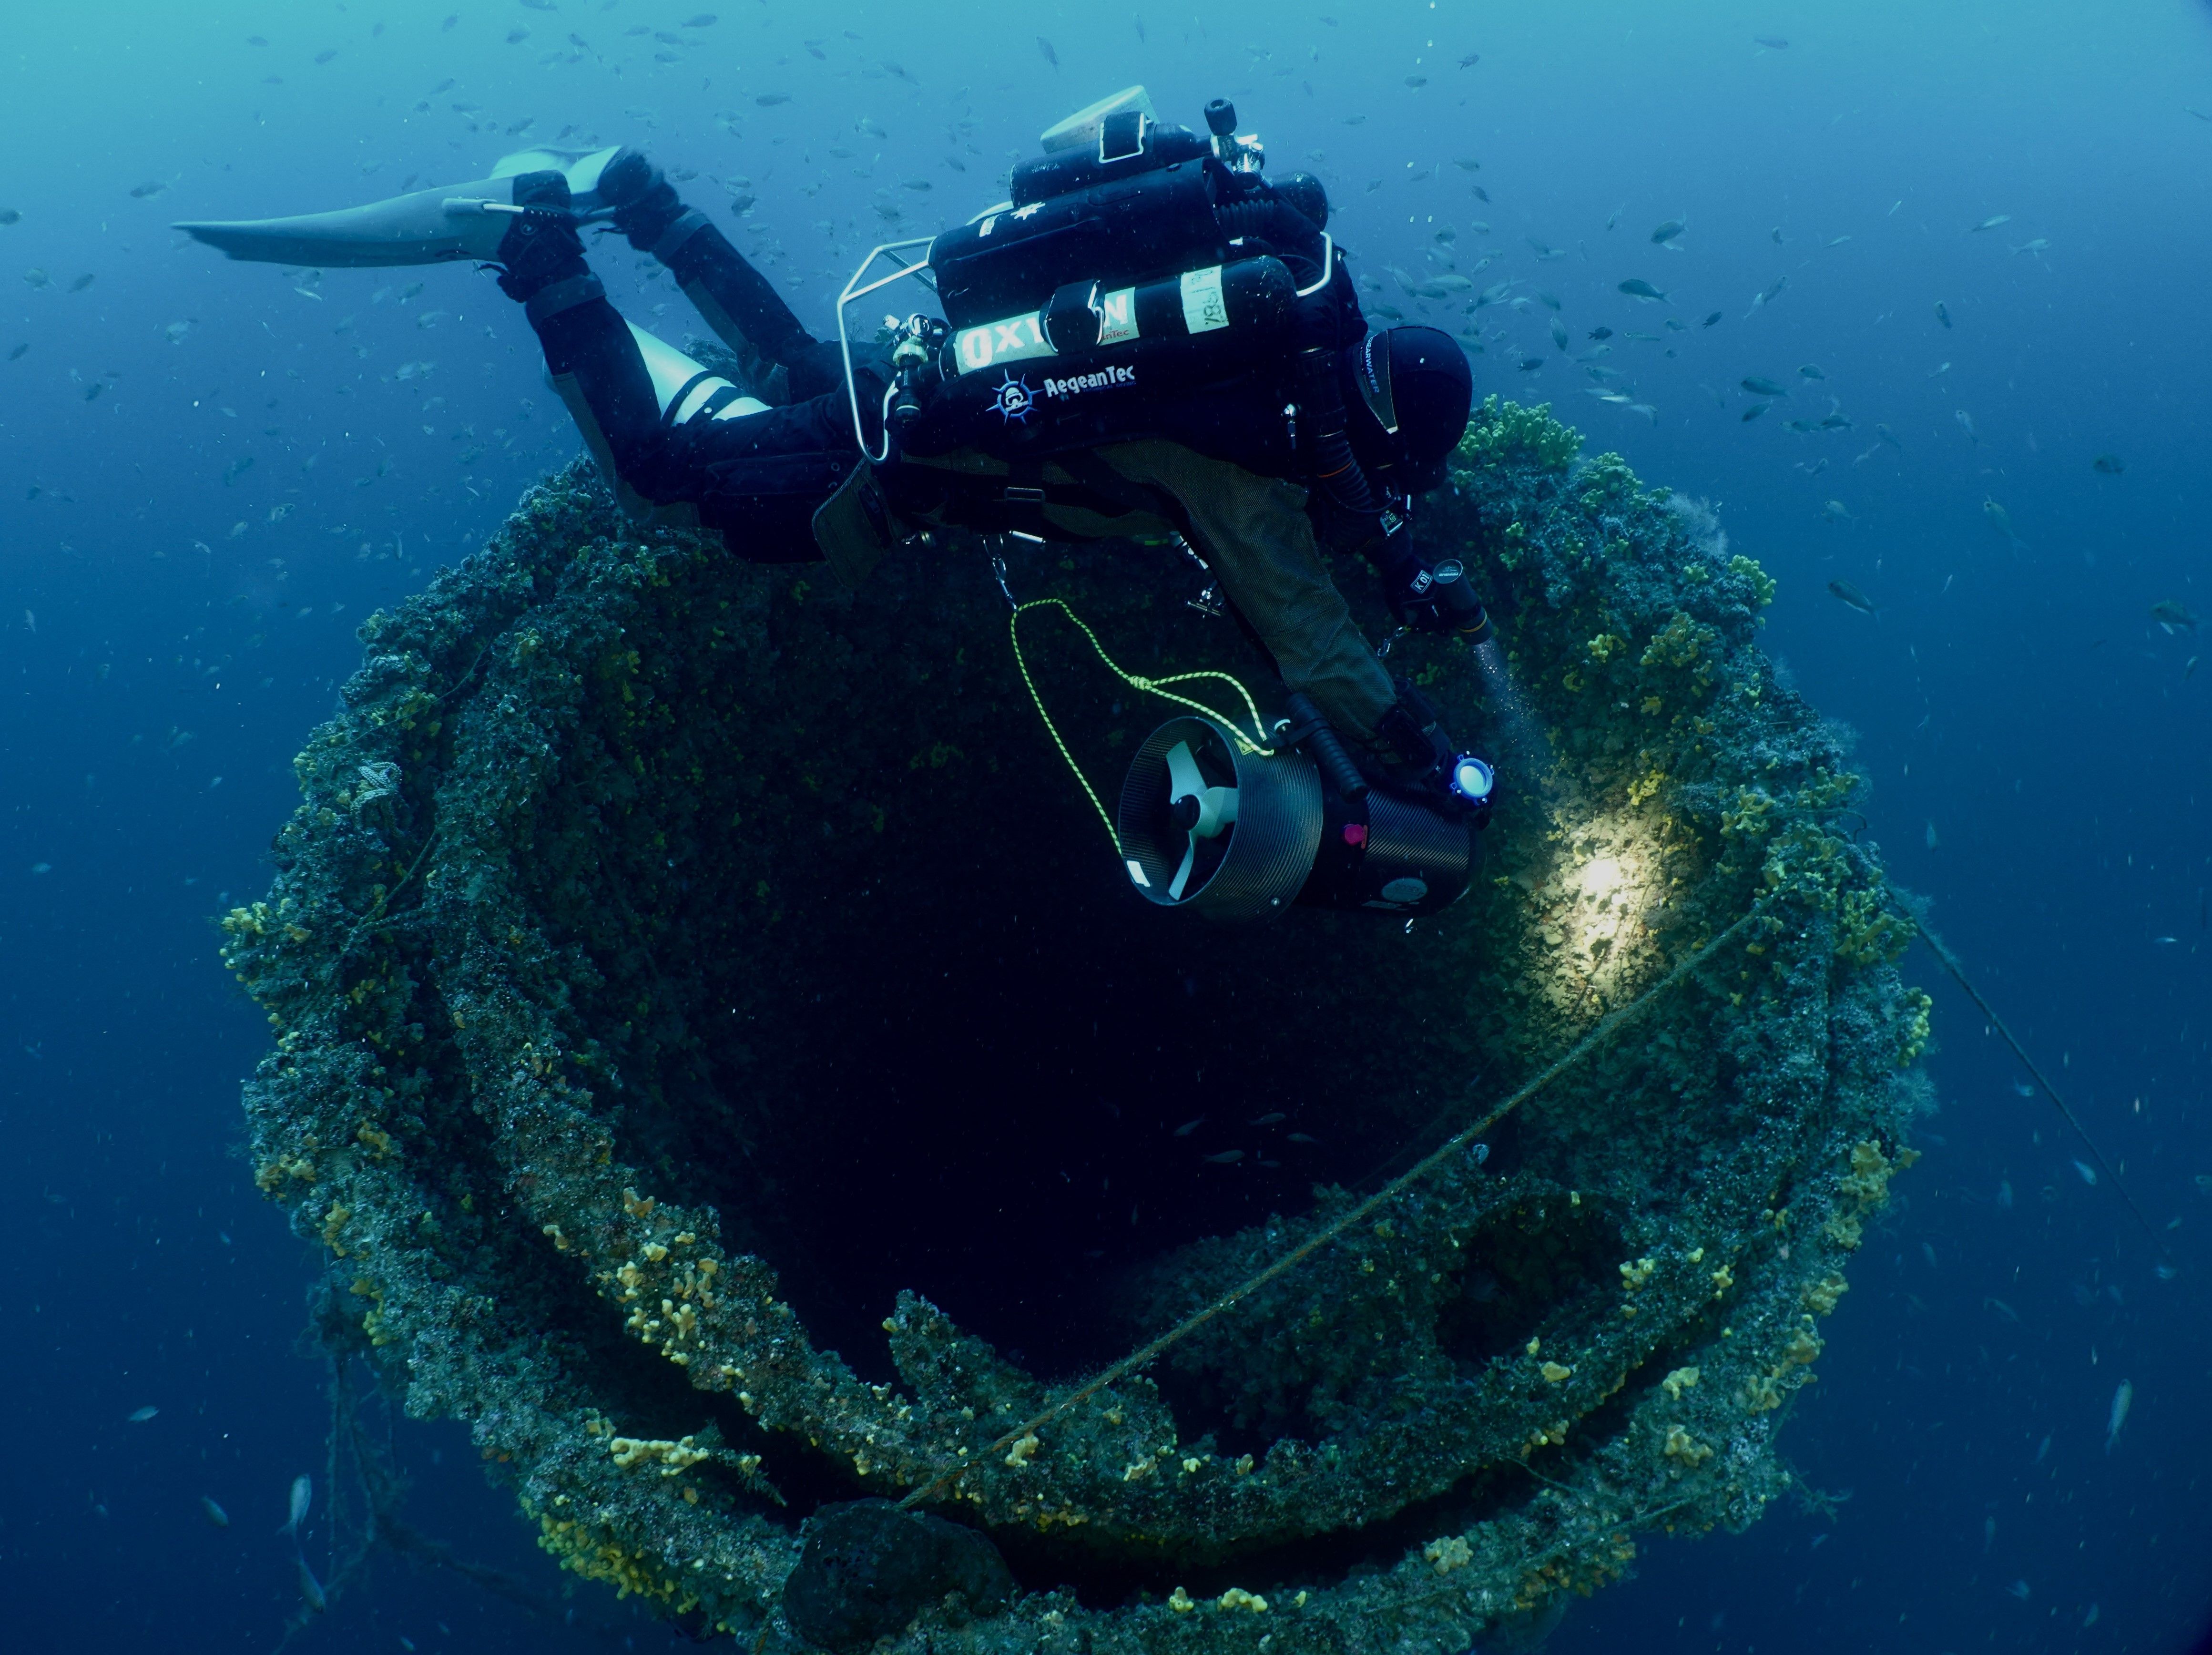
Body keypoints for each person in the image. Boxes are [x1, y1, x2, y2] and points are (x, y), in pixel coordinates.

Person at [180, 107, 1490, 799]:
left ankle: (644, 203)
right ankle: (534, 247)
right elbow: (1311, 644)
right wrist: (1429, 758)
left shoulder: (1277, 340)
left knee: (800, 366)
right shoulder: (1256, 455)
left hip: (942, 372)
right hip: (911, 465)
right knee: (663, 481)